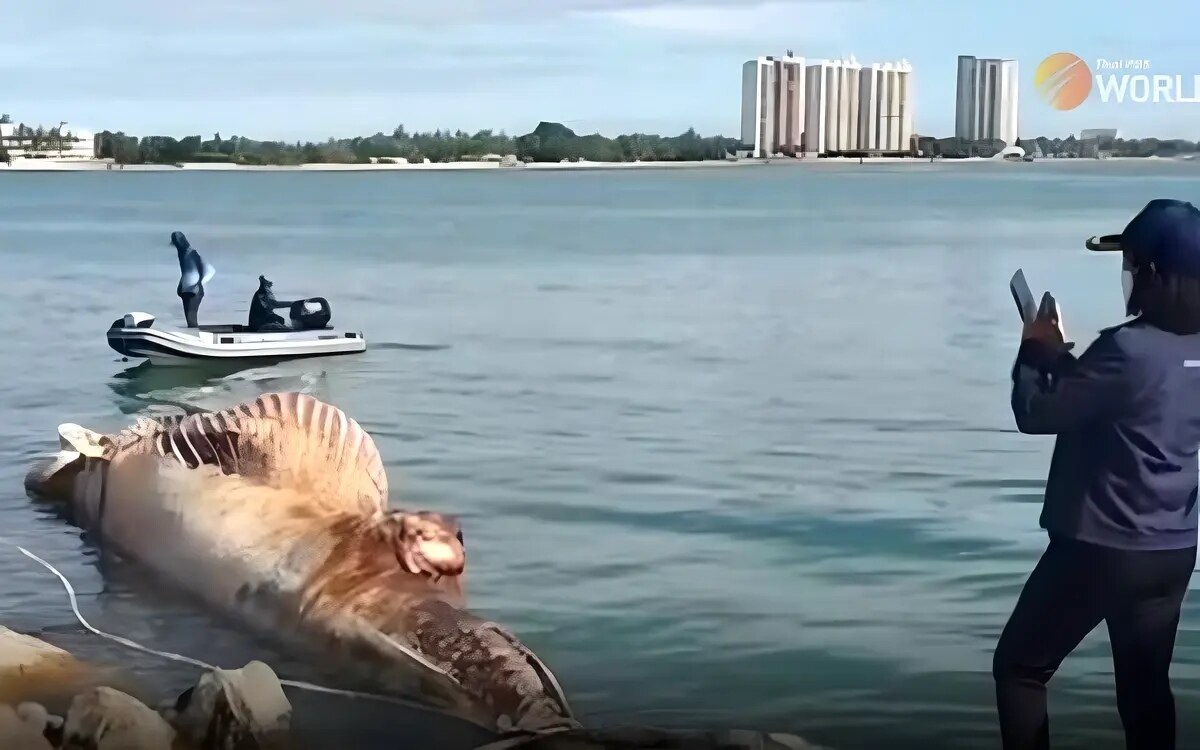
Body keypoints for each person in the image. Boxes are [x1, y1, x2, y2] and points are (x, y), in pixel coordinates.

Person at [994, 198, 1200, 750]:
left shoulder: (1127, 348)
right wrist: (1065, 360)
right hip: (1172, 550)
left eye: (1131, 265)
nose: (1127, 277)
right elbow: (1139, 399)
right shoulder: (1171, 351)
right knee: (1145, 688)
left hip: (1101, 547)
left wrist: (1035, 353)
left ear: (1153, 275)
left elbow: (1037, 414)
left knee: (1020, 668)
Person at [171, 231, 215, 328]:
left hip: (193, 291)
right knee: (190, 319)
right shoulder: (186, 253)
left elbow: (210, 270)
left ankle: (195, 337)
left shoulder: (189, 254)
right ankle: (192, 333)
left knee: (191, 318)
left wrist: (199, 283)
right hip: (188, 290)